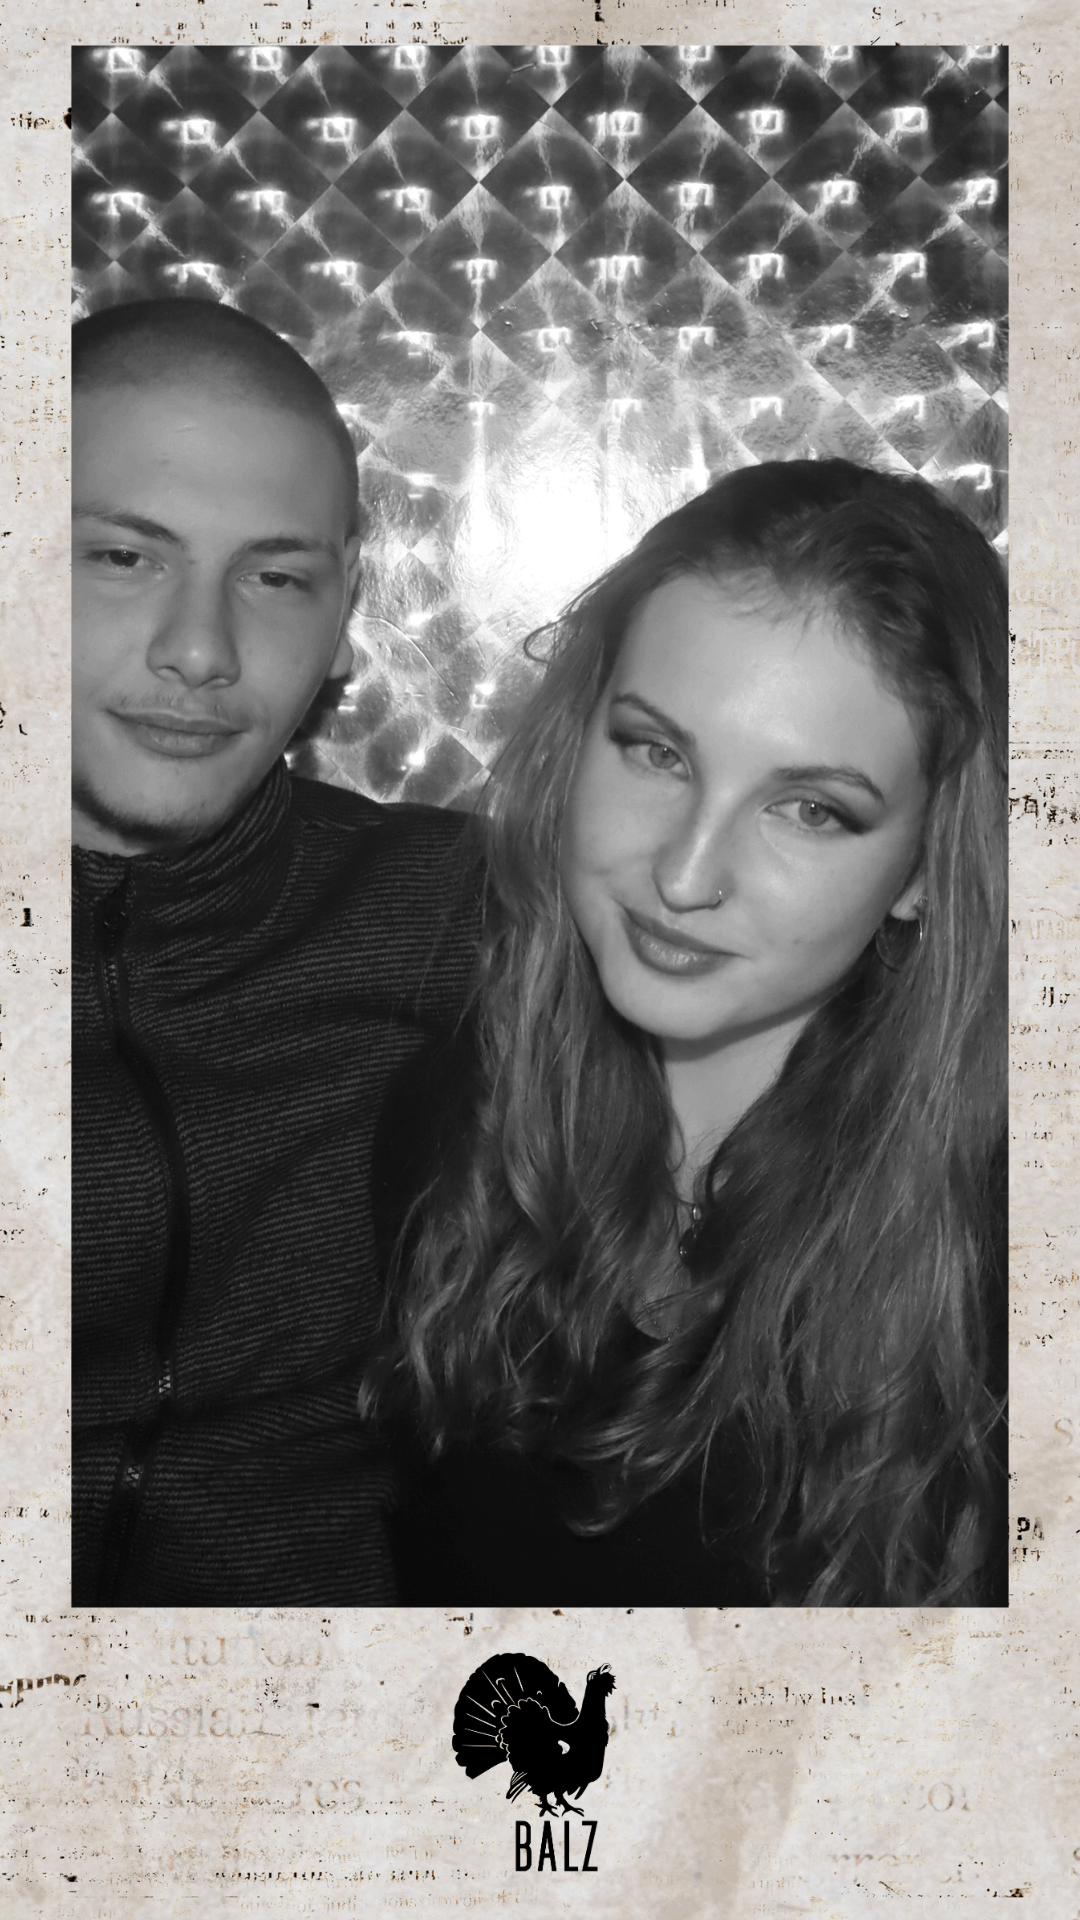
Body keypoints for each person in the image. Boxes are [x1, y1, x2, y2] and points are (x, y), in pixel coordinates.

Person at [366, 458, 1007, 1607]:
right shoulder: (446, 1119)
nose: (685, 874)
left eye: (810, 809)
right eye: (656, 752)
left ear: (925, 868)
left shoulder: (1003, 1253)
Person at [72, 298, 479, 1604]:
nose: (200, 650)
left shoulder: (457, 912)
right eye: (121, 557)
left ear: (346, 603)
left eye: (277, 577)